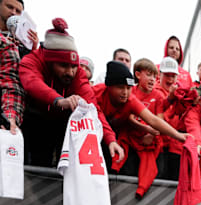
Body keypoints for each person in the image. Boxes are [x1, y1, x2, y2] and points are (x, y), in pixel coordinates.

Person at [19, 18, 123, 167]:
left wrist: (110, 139)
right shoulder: (32, 60)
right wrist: (59, 100)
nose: (70, 72)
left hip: (62, 123)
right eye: (64, 66)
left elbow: (93, 108)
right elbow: (33, 83)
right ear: (50, 61)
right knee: (39, 159)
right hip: (34, 119)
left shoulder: (78, 74)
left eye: (73, 66)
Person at [93, 60, 189, 170]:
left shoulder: (130, 99)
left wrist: (178, 136)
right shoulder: (95, 95)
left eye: (128, 88)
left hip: (115, 139)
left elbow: (153, 120)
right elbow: (101, 121)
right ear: (109, 86)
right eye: (120, 87)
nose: (125, 92)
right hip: (99, 137)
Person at [112, 58, 164, 198]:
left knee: (150, 167)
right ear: (138, 74)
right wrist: (147, 130)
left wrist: (151, 135)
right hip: (131, 137)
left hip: (148, 141)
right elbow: (128, 118)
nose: (153, 79)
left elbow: (160, 119)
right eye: (149, 74)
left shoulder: (158, 96)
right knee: (126, 166)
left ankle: (141, 191)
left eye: (155, 76)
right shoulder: (130, 91)